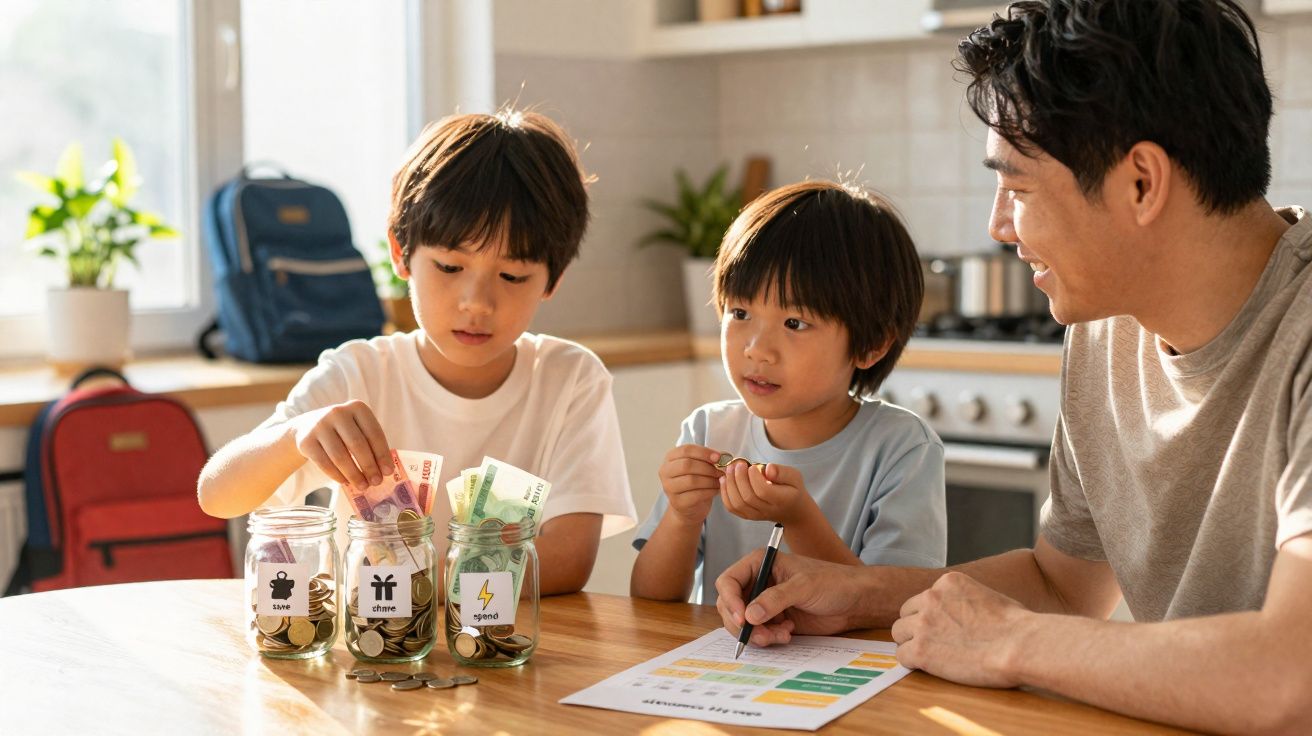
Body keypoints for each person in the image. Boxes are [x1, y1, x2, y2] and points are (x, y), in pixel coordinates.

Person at [714, 2, 1312, 732]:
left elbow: (1293, 677)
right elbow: (1060, 586)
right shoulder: (1107, 329)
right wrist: (858, 594)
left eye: (1018, 189)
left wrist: (1010, 643)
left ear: (1141, 183)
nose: (997, 226)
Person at [198, 109, 638, 594]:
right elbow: (217, 495)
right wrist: (293, 436)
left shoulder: (571, 379)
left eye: (512, 276)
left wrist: (416, 584)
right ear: (400, 253)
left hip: (505, 638)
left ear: (553, 280)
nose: (477, 302)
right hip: (374, 638)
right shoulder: (358, 372)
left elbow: (569, 559)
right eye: (449, 267)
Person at [630, 180, 946, 604]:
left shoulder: (903, 449)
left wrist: (798, 519)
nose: (756, 348)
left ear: (871, 345)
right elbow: (648, 600)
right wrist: (682, 517)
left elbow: (896, 606)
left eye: (794, 323)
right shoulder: (709, 430)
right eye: (740, 312)